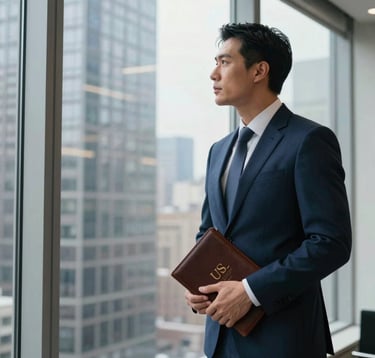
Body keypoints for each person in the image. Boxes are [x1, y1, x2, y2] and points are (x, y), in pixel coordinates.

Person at [184, 22, 352, 358]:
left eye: (224, 62)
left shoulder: (309, 141)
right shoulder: (219, 150)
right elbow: (210, 234)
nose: (213, 74)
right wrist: (199, 287)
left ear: (259, 70)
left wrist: (251, 291)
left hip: (284, 340)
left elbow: (331, 243)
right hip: (221, 339)